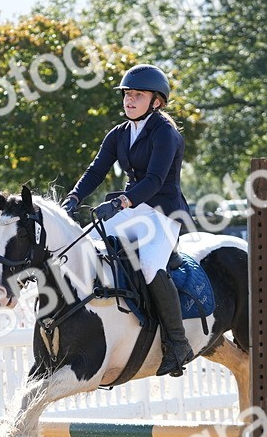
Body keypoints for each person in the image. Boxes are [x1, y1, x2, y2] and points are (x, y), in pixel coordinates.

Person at [62, 64, 194, 376]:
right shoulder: (119, 133)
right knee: (83, 245)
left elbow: (156, 180)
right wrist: (74, 197)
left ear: (156, 101)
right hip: (132, 208)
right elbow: (96, 170)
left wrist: (122, 200)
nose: (129, 100)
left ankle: (178, 344)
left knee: (149, 265)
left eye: (137, 95)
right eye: (127, 95)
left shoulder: (166, 134)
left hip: (163, 213)